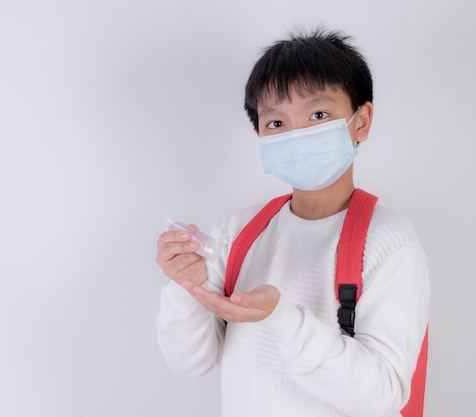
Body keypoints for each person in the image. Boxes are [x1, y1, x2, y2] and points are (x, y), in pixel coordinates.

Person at [155, 27, 430, 417]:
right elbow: (190, 363)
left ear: (361, 120)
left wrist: (282, 319)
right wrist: (185, 284)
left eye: (318, 114)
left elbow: (384, 395)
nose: (297, 135)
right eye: (276, 123)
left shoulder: (389, 241)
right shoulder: (239, 232)